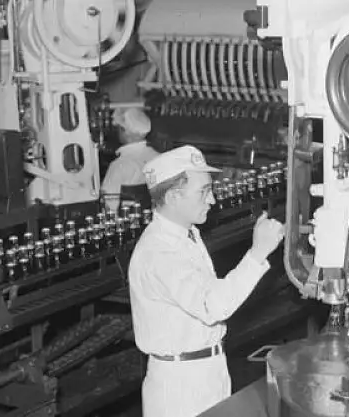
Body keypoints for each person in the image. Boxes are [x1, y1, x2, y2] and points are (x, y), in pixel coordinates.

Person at [128, 145, 284, 417]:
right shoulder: (159, 253)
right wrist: (257, 253)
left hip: (206, 371)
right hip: (181, 387)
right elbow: (214, 306)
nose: (212, 200)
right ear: (174, 196)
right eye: (203, 191)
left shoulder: (186, 234)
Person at [101, 107, 160, 212]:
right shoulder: (160, 158)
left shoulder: (120, 165)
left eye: (118, 128)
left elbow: (109, 205)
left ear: (124, 131)